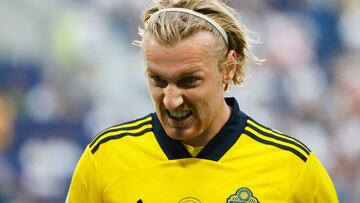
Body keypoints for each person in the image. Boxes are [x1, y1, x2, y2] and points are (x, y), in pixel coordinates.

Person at [66, 0, 339, 202]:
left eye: (189, 81)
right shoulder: (105, 159)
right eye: (158, 81)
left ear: (228, 69)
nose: (171, 101)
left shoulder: (293, 168)